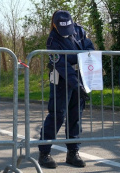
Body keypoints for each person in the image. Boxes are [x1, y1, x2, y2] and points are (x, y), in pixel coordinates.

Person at [37, 10, 94, 169]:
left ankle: (73, 152)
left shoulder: (79, 30)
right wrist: (77, 85)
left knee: (76, 115)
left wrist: (88, 75)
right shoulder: (52, 40)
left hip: (80, 76)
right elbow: (62, 66)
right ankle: (44, 153)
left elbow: (89, 47)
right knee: (57, 115)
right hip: (61, 81)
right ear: (54, 25)